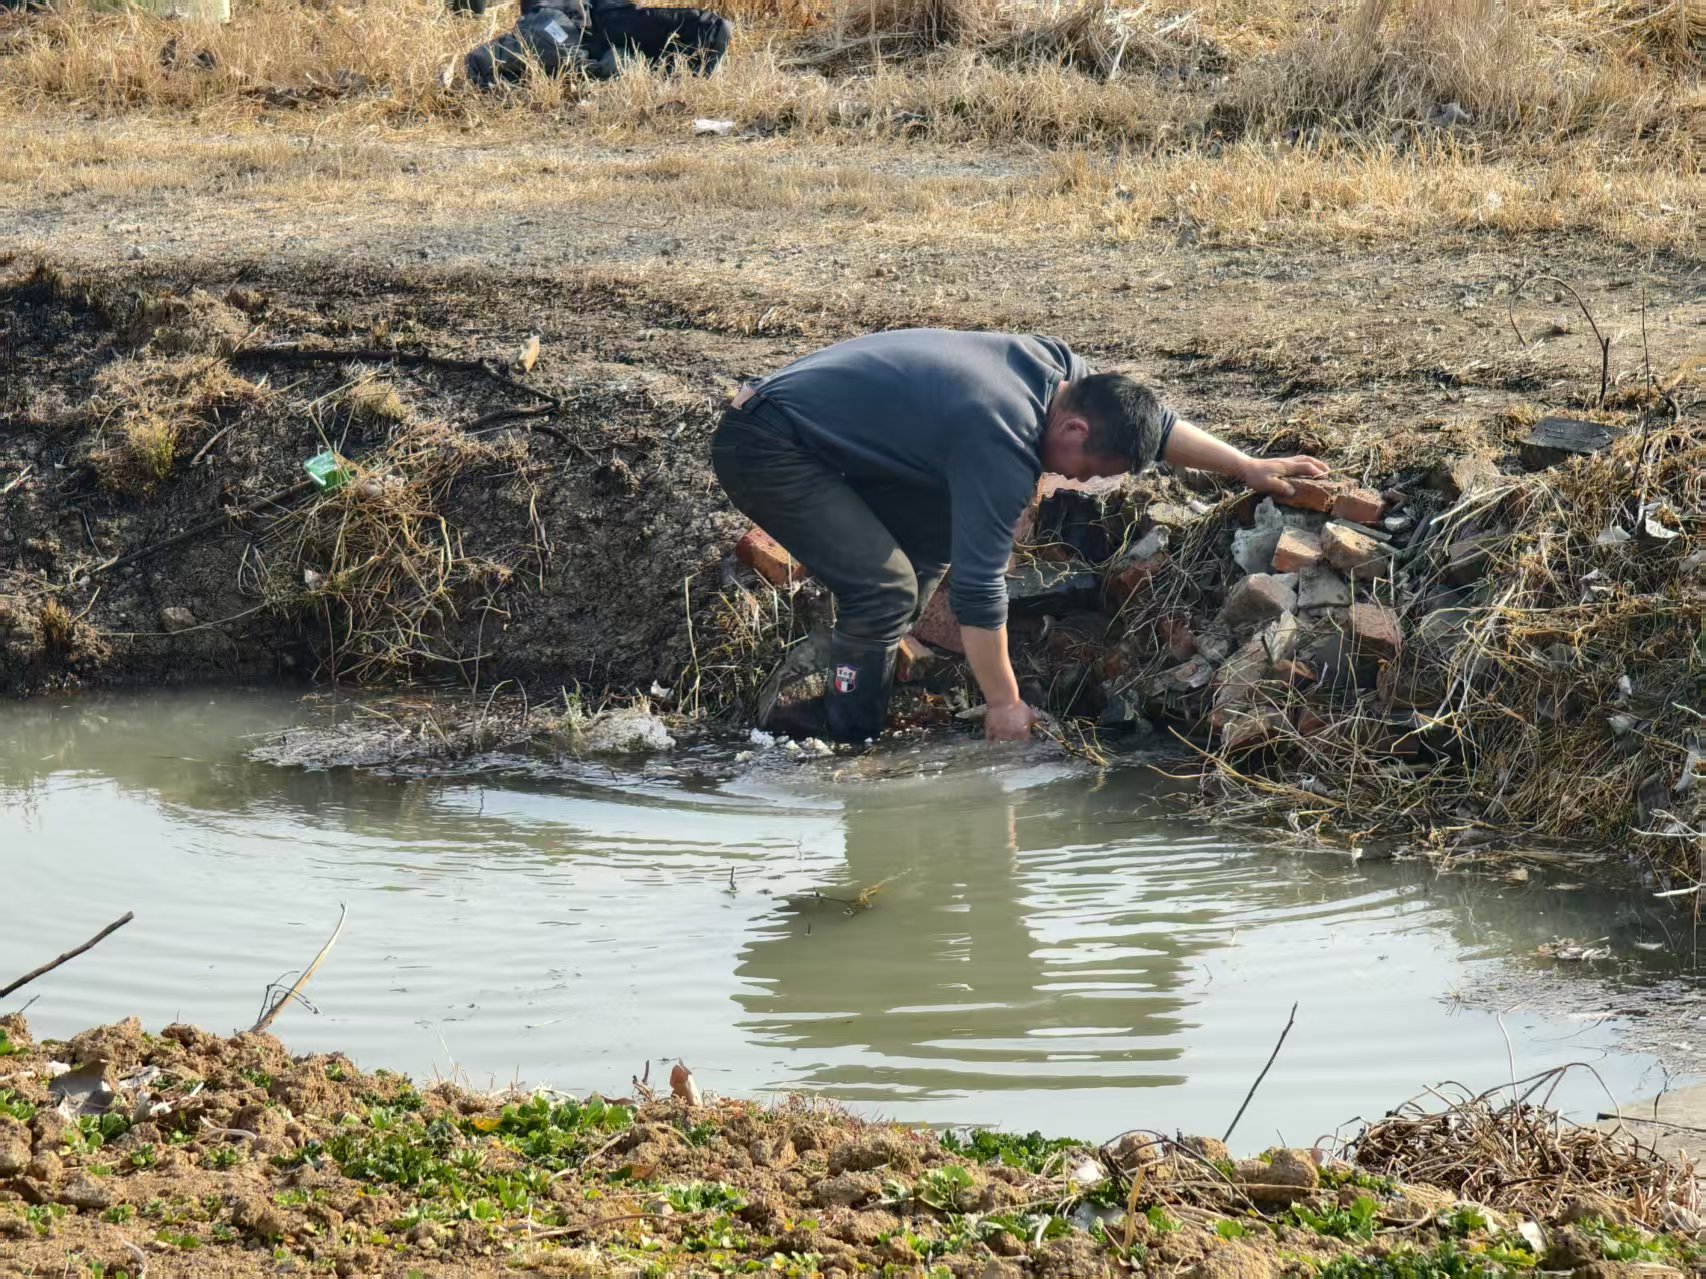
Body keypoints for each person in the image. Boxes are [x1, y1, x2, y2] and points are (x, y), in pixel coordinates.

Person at [711, 329, 1327, 744]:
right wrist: (1005, 704)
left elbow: (1153, 424)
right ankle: (848, 740)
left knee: (925, 550)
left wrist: (1246, 466)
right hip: (768, 442)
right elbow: (980, 591)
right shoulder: (1002, 440)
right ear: (1077, 428)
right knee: (884, 589)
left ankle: (861, 668)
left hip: (829, 432)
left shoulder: (1060, 372)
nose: (1074, 479)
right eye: (1089, 469)